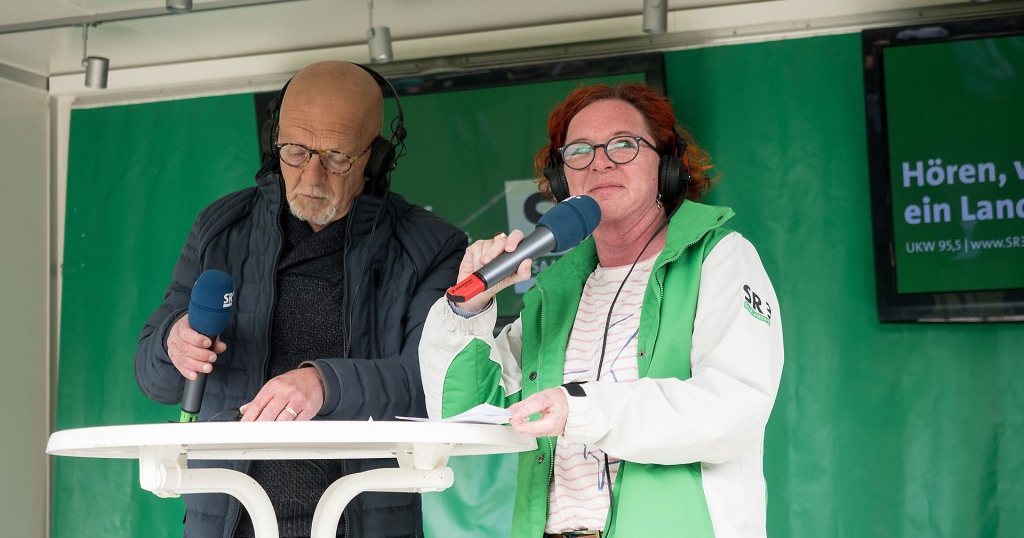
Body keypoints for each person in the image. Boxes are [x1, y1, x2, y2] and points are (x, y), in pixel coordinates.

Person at [419, 82, 784, 538]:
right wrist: (469, 309)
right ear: (560, 179)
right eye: (579, 151)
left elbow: (732, 409)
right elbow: (465, 412)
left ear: (667, 165)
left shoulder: (721, 258)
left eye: (623, 145)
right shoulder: (556, 292)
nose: (600, 161)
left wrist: (582, 410)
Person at [135, 61, 468, 538]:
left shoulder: (430, 246)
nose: (312, 177)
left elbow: (436, 383)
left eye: (336, 156)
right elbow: (155, 381)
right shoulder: (220, 229)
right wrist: (174, 344)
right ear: (274, 141)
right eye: (295, 151)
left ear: (376, 158)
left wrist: (324, 384)